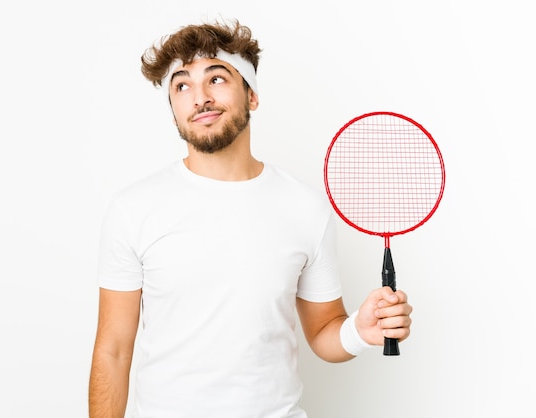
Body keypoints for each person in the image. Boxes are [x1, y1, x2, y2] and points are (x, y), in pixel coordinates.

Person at [89, 19, 412, 418]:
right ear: (173, 110)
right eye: (182, 85)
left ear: (252, 95)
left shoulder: (304, 208)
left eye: (217, 78)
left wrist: (360, 332)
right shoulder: (133, 209)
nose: (200, 97)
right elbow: (114, 351)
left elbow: (325, 332)